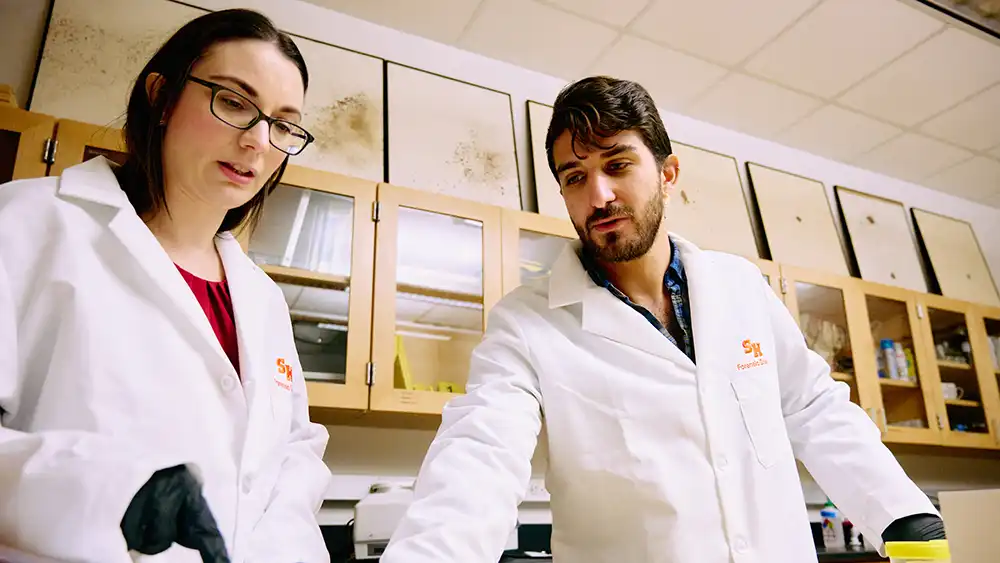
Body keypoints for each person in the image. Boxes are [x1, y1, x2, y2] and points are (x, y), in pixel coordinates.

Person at [378, 76, 944, 563]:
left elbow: (814, 408)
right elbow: (480, 455)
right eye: (574, 177)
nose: (598, 196)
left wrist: (904, 514)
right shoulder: (526, 325)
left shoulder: (740, 286)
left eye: (617, 165)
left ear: (668, 174)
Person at [0, 9, 331, 563]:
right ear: (161, 97)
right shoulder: (27, 225)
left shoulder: (263, 299)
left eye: (282, 124)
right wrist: (112, 493)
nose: (257, 142)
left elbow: (291, 455)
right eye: (233, 102)